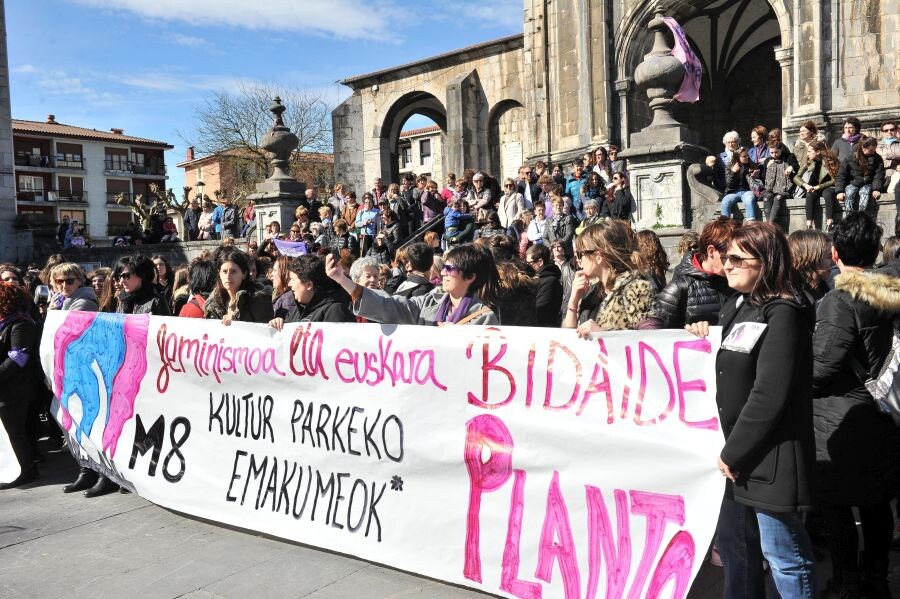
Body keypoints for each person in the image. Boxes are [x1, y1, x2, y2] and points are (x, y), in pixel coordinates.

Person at [686, 222, 817, 598]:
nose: (726, 265)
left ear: (767, 262)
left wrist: (733, 451)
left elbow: (769, 393)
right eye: (725, 257)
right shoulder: (740, 305)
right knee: (736, 548)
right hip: (737, 459)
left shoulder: (784, 313)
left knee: (785, 558)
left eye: (737, 259)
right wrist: (701, 335)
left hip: (768, 459)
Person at [812, 212, 900, 598]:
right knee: (878, 503)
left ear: (835, 253)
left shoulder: (840, 299)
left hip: (841, 418)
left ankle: (847, 580)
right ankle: (877, 578)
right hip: (883, 411)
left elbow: (823, 364)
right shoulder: (890, 293)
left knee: (838, 506)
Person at [326, 243, 499, 326]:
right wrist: (343, 280)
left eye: (449, 268)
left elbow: (487, 369)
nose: (443, 272)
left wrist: (460, 341)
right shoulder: (429, 301)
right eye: (443, 267)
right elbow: (388, 306)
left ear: (469, 276)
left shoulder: (484, 318)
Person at [563, 220, 655, 335]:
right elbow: (568, 338)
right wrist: (573, 301)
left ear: (598, 256)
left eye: (581, 254)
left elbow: (651, 341)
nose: (578, 259)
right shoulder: (591, 291)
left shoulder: (637, 291)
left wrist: (604, 335)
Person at [653, 217, 739, 329]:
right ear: (711, 251)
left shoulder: (738, 283)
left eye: (737, 258)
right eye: (728, 257)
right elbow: (655, 337)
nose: (733, 264)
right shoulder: (679, 288)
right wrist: (690, 333)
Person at [0, 282, 40, 489]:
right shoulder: (5, 322)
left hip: (15, 390)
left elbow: (19, 357)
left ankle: (25, 471)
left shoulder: (21, 323)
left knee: (15, 432)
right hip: (6, 389)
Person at [267, 254, 354, 329]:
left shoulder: (335, 312)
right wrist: (280, 323)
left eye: (293, 279)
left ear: (309, 285)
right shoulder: (296, 311)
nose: (289, 284)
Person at [204, 250, 274, 325]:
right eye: (224, 271)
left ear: (244, 274)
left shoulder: (258, 300)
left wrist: (237, 323)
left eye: (233, 271)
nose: (228, 276)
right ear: (219, 274)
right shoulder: (214, 303)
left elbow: (265, 332)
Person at [794, 140, 839, 231]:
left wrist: (820, 186)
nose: (807, 154)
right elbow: (796, 177)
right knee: (809, 194)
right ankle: (809, 225)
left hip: (829, 186)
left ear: (818, 152)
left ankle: (830, 223)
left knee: (827, 193)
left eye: (810, 151)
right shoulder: (809, 161)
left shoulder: (831, 160)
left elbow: (835, 180)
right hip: (814, 187)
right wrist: (805, 185)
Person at [835, 136, 885, 213]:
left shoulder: (877, 158)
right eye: (871, 150)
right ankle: (850, 218)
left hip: (868, 184)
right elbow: (841, 175)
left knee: (865, 191)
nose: (873, 152)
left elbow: (878, 175)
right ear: (863, 147)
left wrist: (876, 189)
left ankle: (862, 216)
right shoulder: (850, 158)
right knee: (849, 192)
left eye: (874, 149)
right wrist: (839, 191)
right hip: (853, 183)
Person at [788, 230, 832, 306]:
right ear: (812, 260)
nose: (834, 262)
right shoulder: (795, 299)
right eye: (829, 257)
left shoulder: (822, 287)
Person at [526, 243, 562, 327]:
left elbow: (541, 309)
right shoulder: (540, 279)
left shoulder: (550, 281)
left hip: (544, 329)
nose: (527, 267)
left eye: (529, 263)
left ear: (540, 262)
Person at [721, 149, 761, 221]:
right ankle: (725, 224)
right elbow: (729, 185)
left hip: (747, 191)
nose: (747, 157)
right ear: (737, 158)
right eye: (744, 156)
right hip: (733, 192)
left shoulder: (752, 165)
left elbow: (758, 181)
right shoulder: (729, 167)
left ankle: (751, 222)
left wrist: (754, 177)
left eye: (747, 155)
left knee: (749, 200)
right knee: (725, 201)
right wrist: (733, 172)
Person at [761, 143, 793, 227]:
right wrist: (767, 167)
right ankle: (770, 224)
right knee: (766, 197)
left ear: (780, 150)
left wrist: (790, 168)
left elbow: (793, 171)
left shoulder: (787, 159)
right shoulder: (768, 160)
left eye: (776, 152)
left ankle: (770, 224)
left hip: (783, 189)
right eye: (771, 153)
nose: (774, 155)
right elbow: (763, 176)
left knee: (778, 198)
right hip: (770, 188)